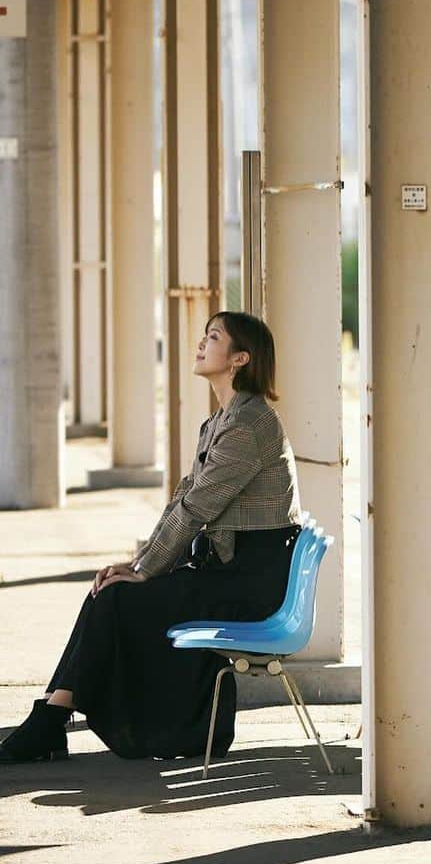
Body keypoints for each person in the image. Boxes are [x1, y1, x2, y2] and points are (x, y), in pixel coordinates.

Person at [0, 312, 302, 765]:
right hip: (227, 571)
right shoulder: (222, 420)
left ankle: (49, 721)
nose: (201, 343)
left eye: (213, 337)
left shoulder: (248, 425)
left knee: (118, 598)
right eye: (204, 335)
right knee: (107, 590)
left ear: (240, 358)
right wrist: (139, 564)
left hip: (249, 583)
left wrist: (145, 570)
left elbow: (196, 509)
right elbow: (184, 497)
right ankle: (51, 715)